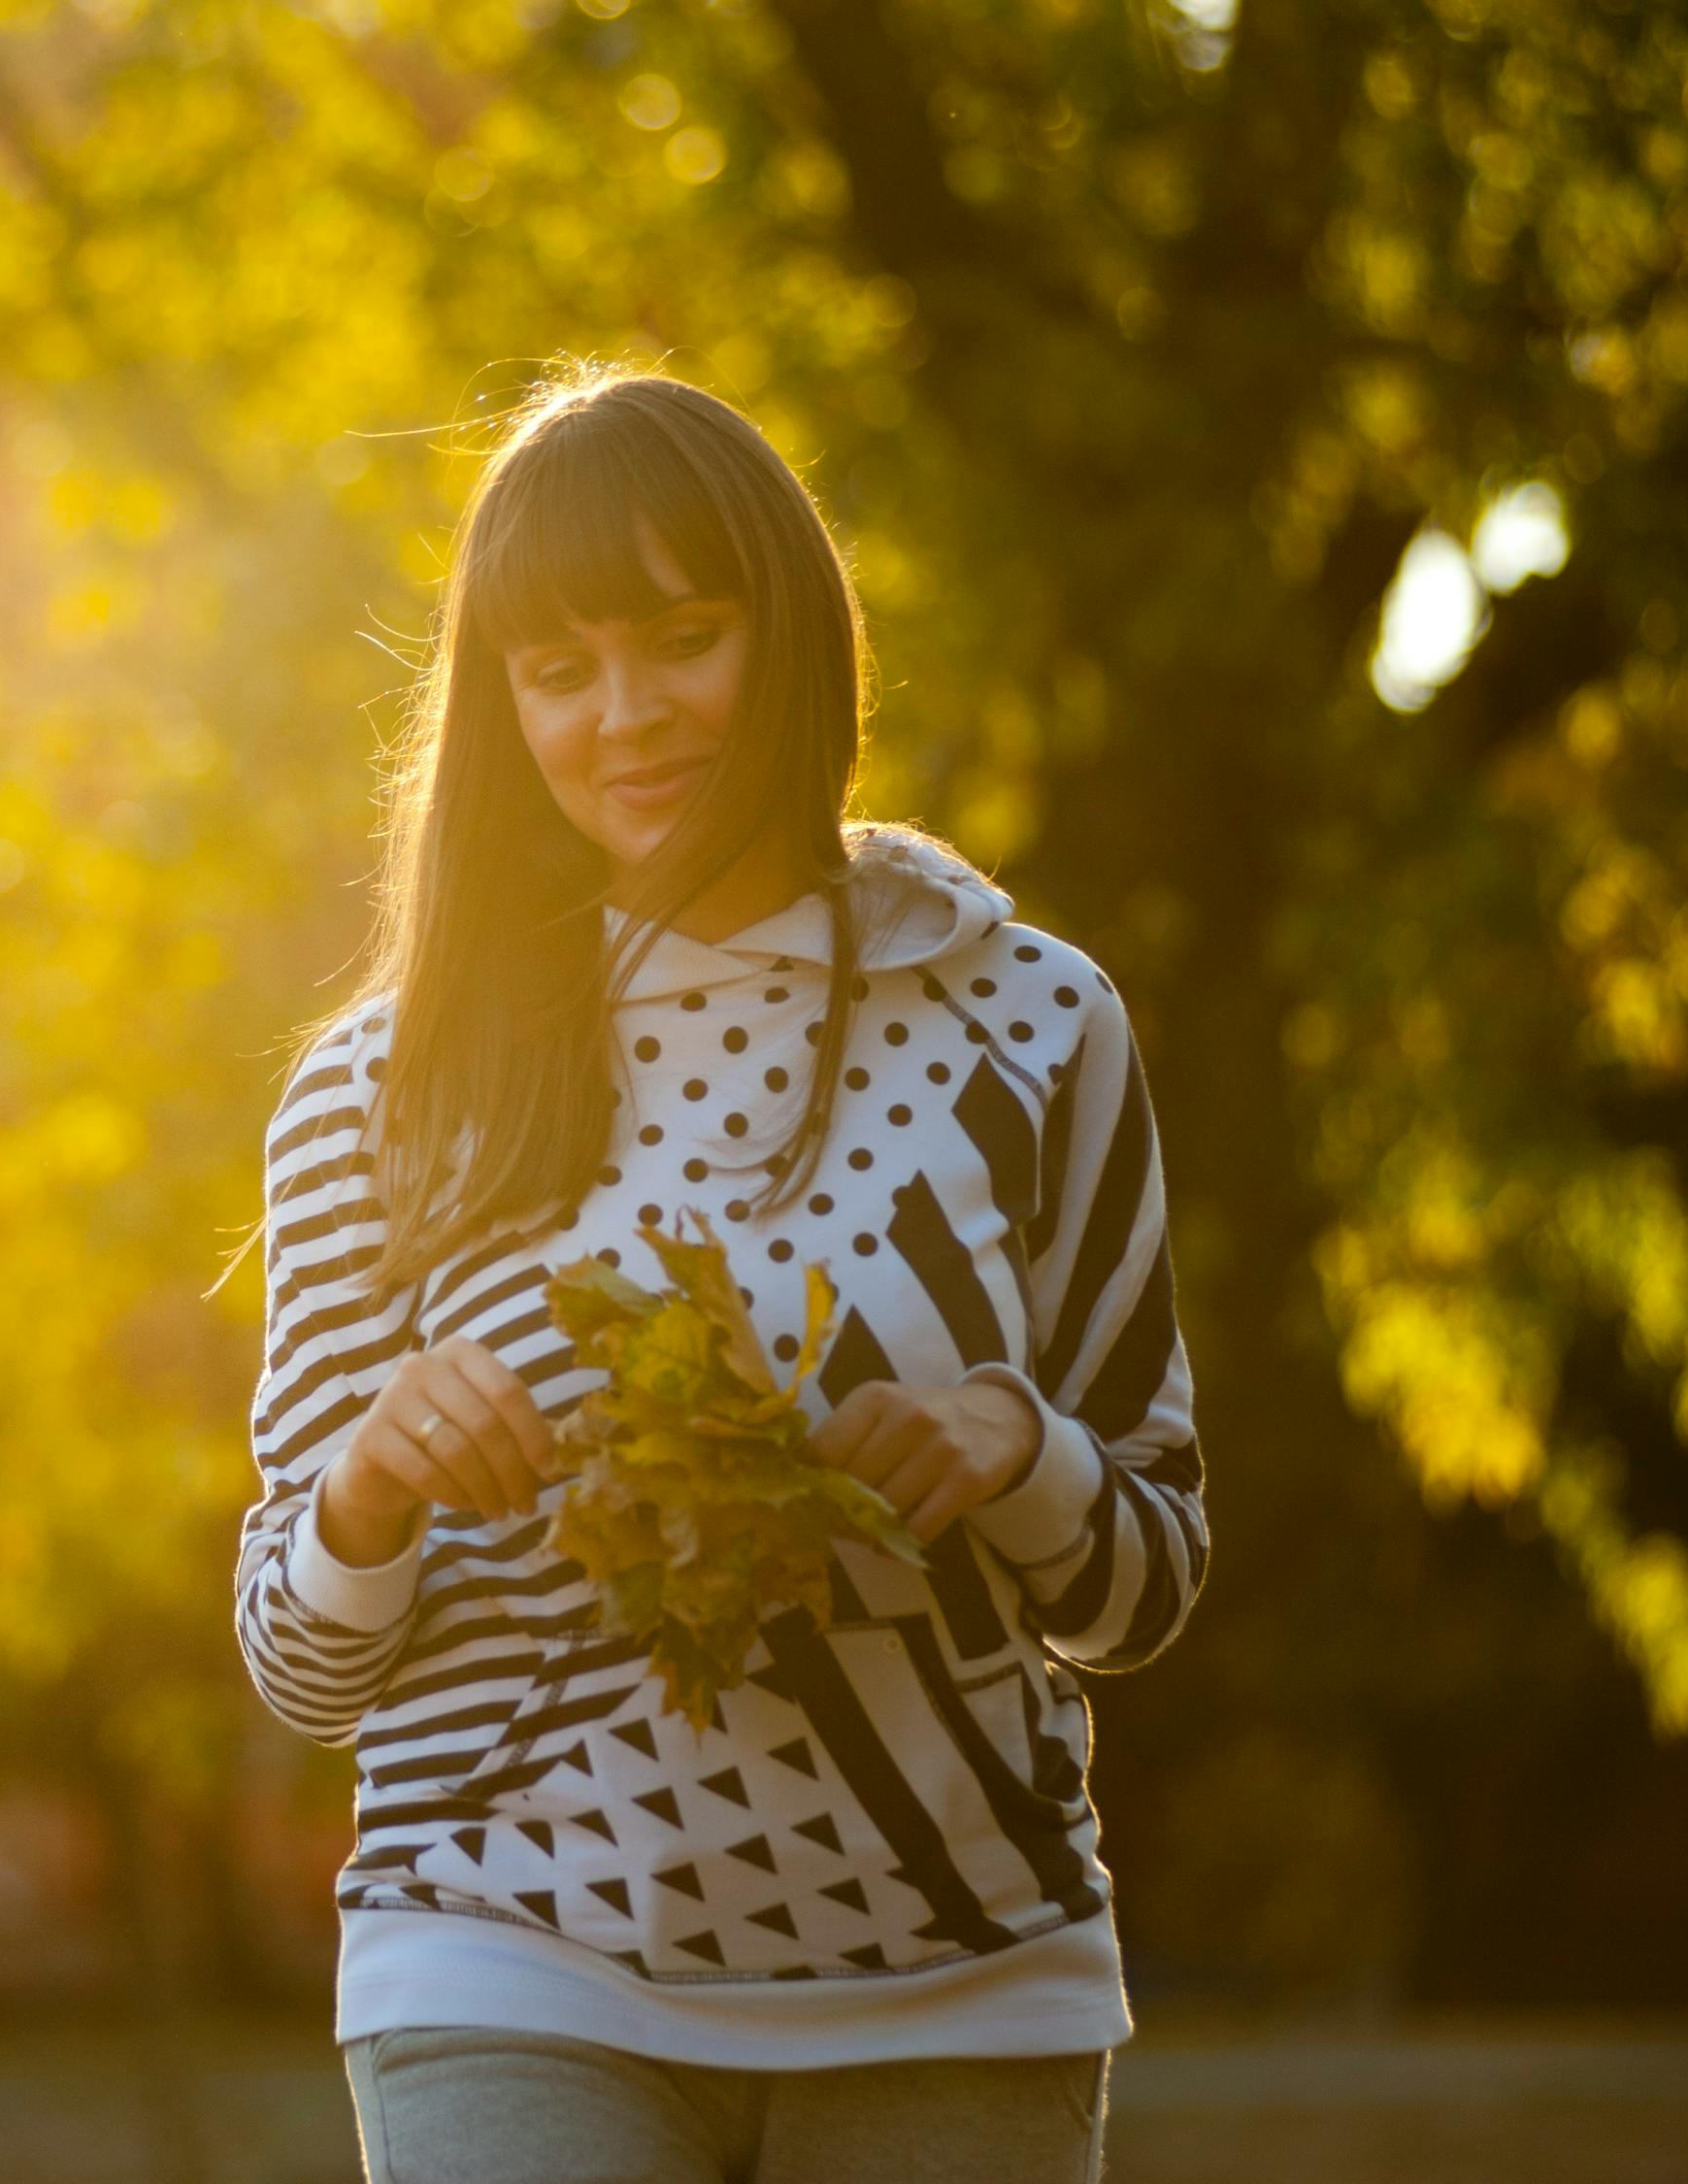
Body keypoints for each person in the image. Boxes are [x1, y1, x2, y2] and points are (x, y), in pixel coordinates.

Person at [226, 367, 1208, 2184]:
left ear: (798, 636)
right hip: (504, 1952)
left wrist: (1022, 1446)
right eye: (558, 667)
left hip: (958, 1980)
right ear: (500, 702)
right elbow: (295, 1655)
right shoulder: (384, 1083)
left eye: (683, 637)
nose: (625, 715)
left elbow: (1145, 1584)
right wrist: (366, 1479)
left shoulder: (1030, 1025)